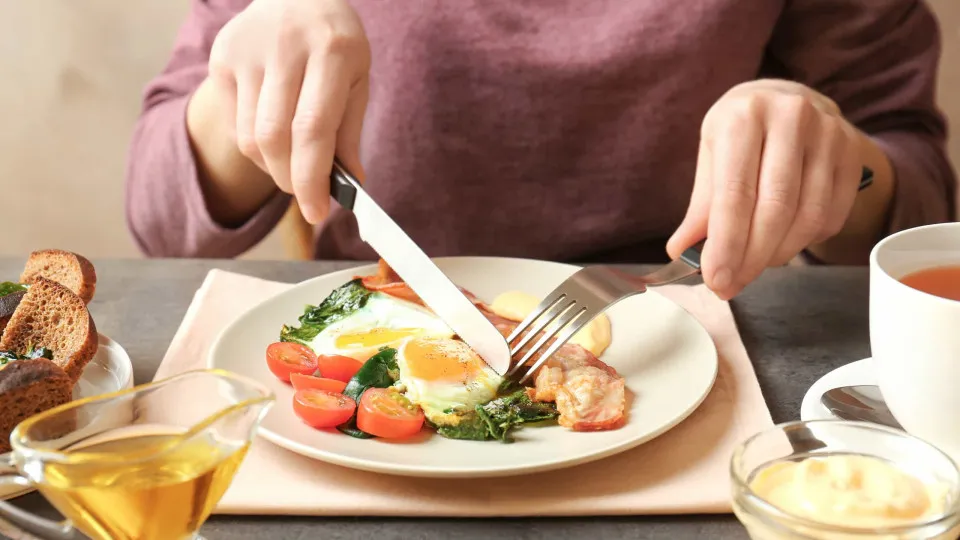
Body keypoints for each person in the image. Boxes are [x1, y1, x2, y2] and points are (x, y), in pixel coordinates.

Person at [126, 0, 956, 300]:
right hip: (377, 321)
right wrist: (241, 90)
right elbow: (162, 224)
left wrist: (840, 159)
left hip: (695, 324)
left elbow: (922, 195)